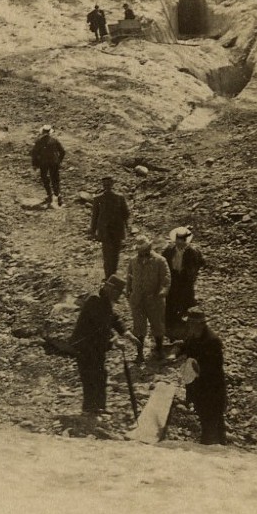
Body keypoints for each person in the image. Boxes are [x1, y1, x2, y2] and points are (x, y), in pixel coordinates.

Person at [69, 275, 141, 415]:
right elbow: (101, 326)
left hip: (97, 346)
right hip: (85, 346)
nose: (117, 295)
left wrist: (126, 334)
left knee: (101, 374)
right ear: (108, 288)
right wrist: (115, 341)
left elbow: (113, 318)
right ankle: (89, 408)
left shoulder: (105, 301)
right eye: (117, 292)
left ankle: (99, 406)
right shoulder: (95, 300)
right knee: (90, 375)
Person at [177, 307, 227, 445]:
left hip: (212, 391)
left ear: (199, 324)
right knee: (208, 422)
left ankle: (214, 452)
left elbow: (215, 368)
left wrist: (196, 367)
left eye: (191, 323)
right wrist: (178, 349)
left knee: (211, 423)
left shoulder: (212, 341)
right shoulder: (194, 335)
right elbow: (188, 347)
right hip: (201, 388)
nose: (188, 326)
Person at [126, 235, 171, 361]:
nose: (142, 252)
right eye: (140, 250)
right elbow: (129, 277)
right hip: (137, 300)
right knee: (138, 327)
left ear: (150, 247)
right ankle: (139, 353)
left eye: (144, 249)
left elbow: (166, 278)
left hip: (154, 299)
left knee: (157, 325)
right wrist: (128, 291)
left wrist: (163, 292)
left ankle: (159, 349)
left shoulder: (160, 261)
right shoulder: (133, 261)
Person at [161, 226, 206, 335]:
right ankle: (171, 321)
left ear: (186, 241)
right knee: (171, 298)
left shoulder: (193, 251)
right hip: (173, 276)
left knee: (187, 298)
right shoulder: (169, 250)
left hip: (185, 279)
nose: (179, 242)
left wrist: (192, 272)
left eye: (182, 240)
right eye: (178, 240)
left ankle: (191, 323)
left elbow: (202, 262)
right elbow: (162, 261)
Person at [89, 176, 131, 278]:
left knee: (115, 255)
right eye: (105, 185)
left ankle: (113, 276)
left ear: (113, 184)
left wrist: (127, 226)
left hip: (117, 230)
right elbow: (95, 216)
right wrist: (92, 231)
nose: (107, 186)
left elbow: (126, 214)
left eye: (109, 184)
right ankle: (108, 277)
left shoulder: (119, 197)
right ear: (102, 185)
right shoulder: (98, 199)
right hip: (105, 231)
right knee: (107, 255)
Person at [30, 124, 66, 208]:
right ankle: (58, 197)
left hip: (43, 163)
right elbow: (62, 151)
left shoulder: (39, 141)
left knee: (45, 178)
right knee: (55, 179)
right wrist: (59, 160)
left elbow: (34, 153)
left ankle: (49, 195)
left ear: (42, 132)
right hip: (54, 163)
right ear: (50, 132)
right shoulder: (54, 140)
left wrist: (35, 164)